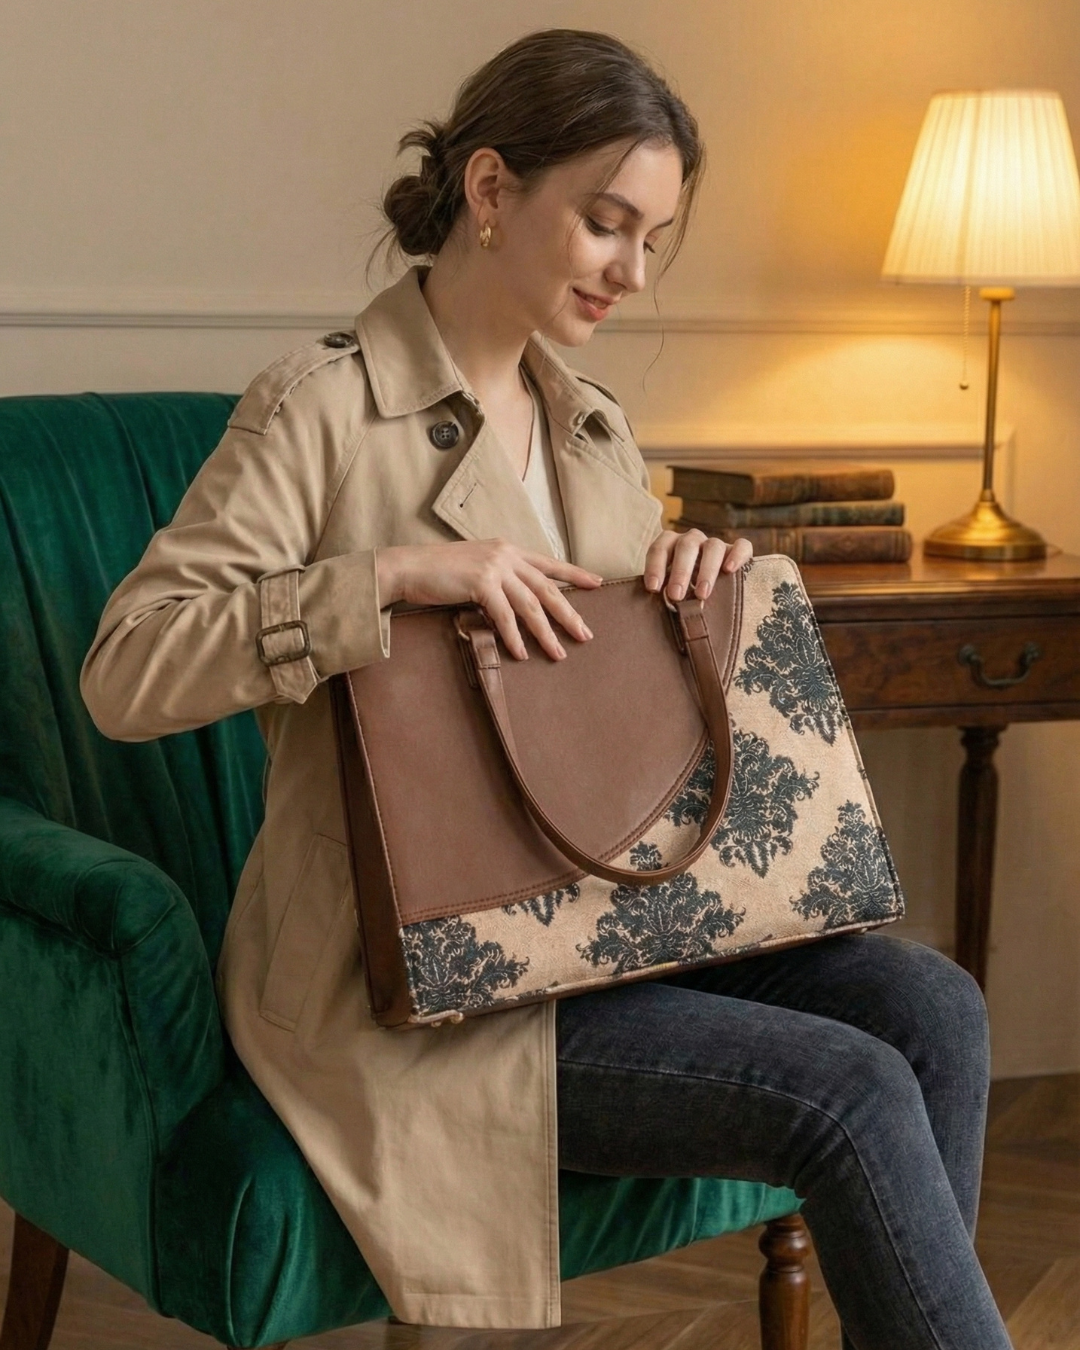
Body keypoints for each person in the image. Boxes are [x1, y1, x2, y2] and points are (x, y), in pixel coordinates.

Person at [80, 27, 1010, 1350]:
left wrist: (694, 585)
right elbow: (128, 666)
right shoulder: (320, 411)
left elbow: (626, 719)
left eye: (654, 238)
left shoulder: (594, 428)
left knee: (937, 1007)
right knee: (851, 1085)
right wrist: (386, 577)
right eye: (605, 224)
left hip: (605, 925)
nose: (632, 271)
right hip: (421, 980)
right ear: (494, 190)